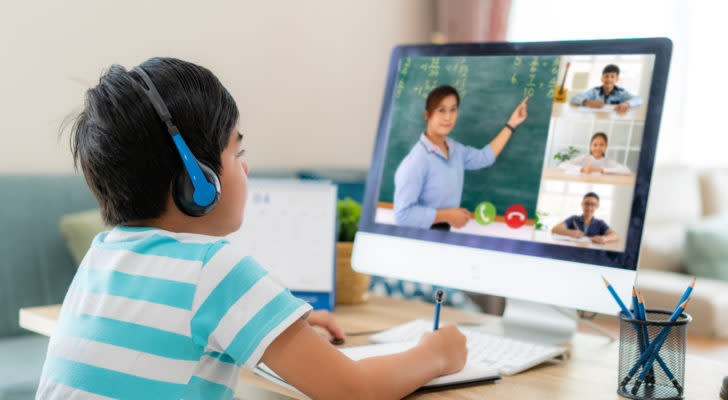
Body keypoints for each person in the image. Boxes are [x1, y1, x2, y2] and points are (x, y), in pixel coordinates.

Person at [36, 58, 467, 400]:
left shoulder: (102, 252)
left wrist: (275, 326)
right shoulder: (213, 267)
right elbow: (355, 391)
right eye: (237, 150)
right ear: (198, 182)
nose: (246, 165)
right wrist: (434, 355)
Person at [393, 85, 529, 230]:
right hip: (420, 236)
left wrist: (511, 124)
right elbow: (402, 215)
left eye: (453, 109)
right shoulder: (417, 160)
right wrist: (447, 216)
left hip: (442, 231)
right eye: (441, 110)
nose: (448, 117)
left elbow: (484, 157)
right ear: (427, 115)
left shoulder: (454, 149)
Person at [570, 64, 642, 113]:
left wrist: (626, 104)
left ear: (617, 79)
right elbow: (574, 98)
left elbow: (638, 99)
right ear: (602, 78)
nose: (609, 79)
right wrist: (588, 102)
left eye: (612, 76)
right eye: (606, 76)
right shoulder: (595, 91)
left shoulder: (621, 93)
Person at [551, 192, 619, 245]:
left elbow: (615, 235)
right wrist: (571, 232)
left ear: (597, 206)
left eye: (593, 204)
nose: (589, 207)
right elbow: (555, 229)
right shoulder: (573, 219)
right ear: (582, 204)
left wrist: (604, 239)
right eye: (586, 203)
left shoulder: (600, 223)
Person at [559, 132, 631, 175]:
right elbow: (562, 165)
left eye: (601, 145)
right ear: (590, 146)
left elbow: (626, 170)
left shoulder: (607, 161)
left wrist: (600, 170)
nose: (598, 148)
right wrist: (582, 169)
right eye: (595, 145)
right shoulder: (584, 158)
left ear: (606, 146)